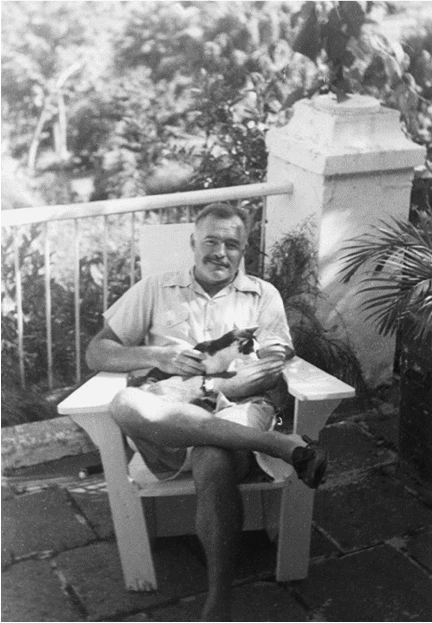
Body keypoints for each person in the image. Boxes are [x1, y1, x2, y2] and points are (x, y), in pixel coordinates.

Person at [86, 202, 327, 622]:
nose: (220, 252)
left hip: (236, 409)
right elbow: (97, 350)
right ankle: (283, 446)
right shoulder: (156, 288)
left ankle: (218, 602)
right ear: (193, 242)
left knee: (213, 458)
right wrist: (158, 355)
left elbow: (274, 362)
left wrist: (220, 385)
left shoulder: (262, 295)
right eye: (211, 241)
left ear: (243, 250)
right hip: (167, 416)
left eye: (231, 244)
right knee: (124, 402)